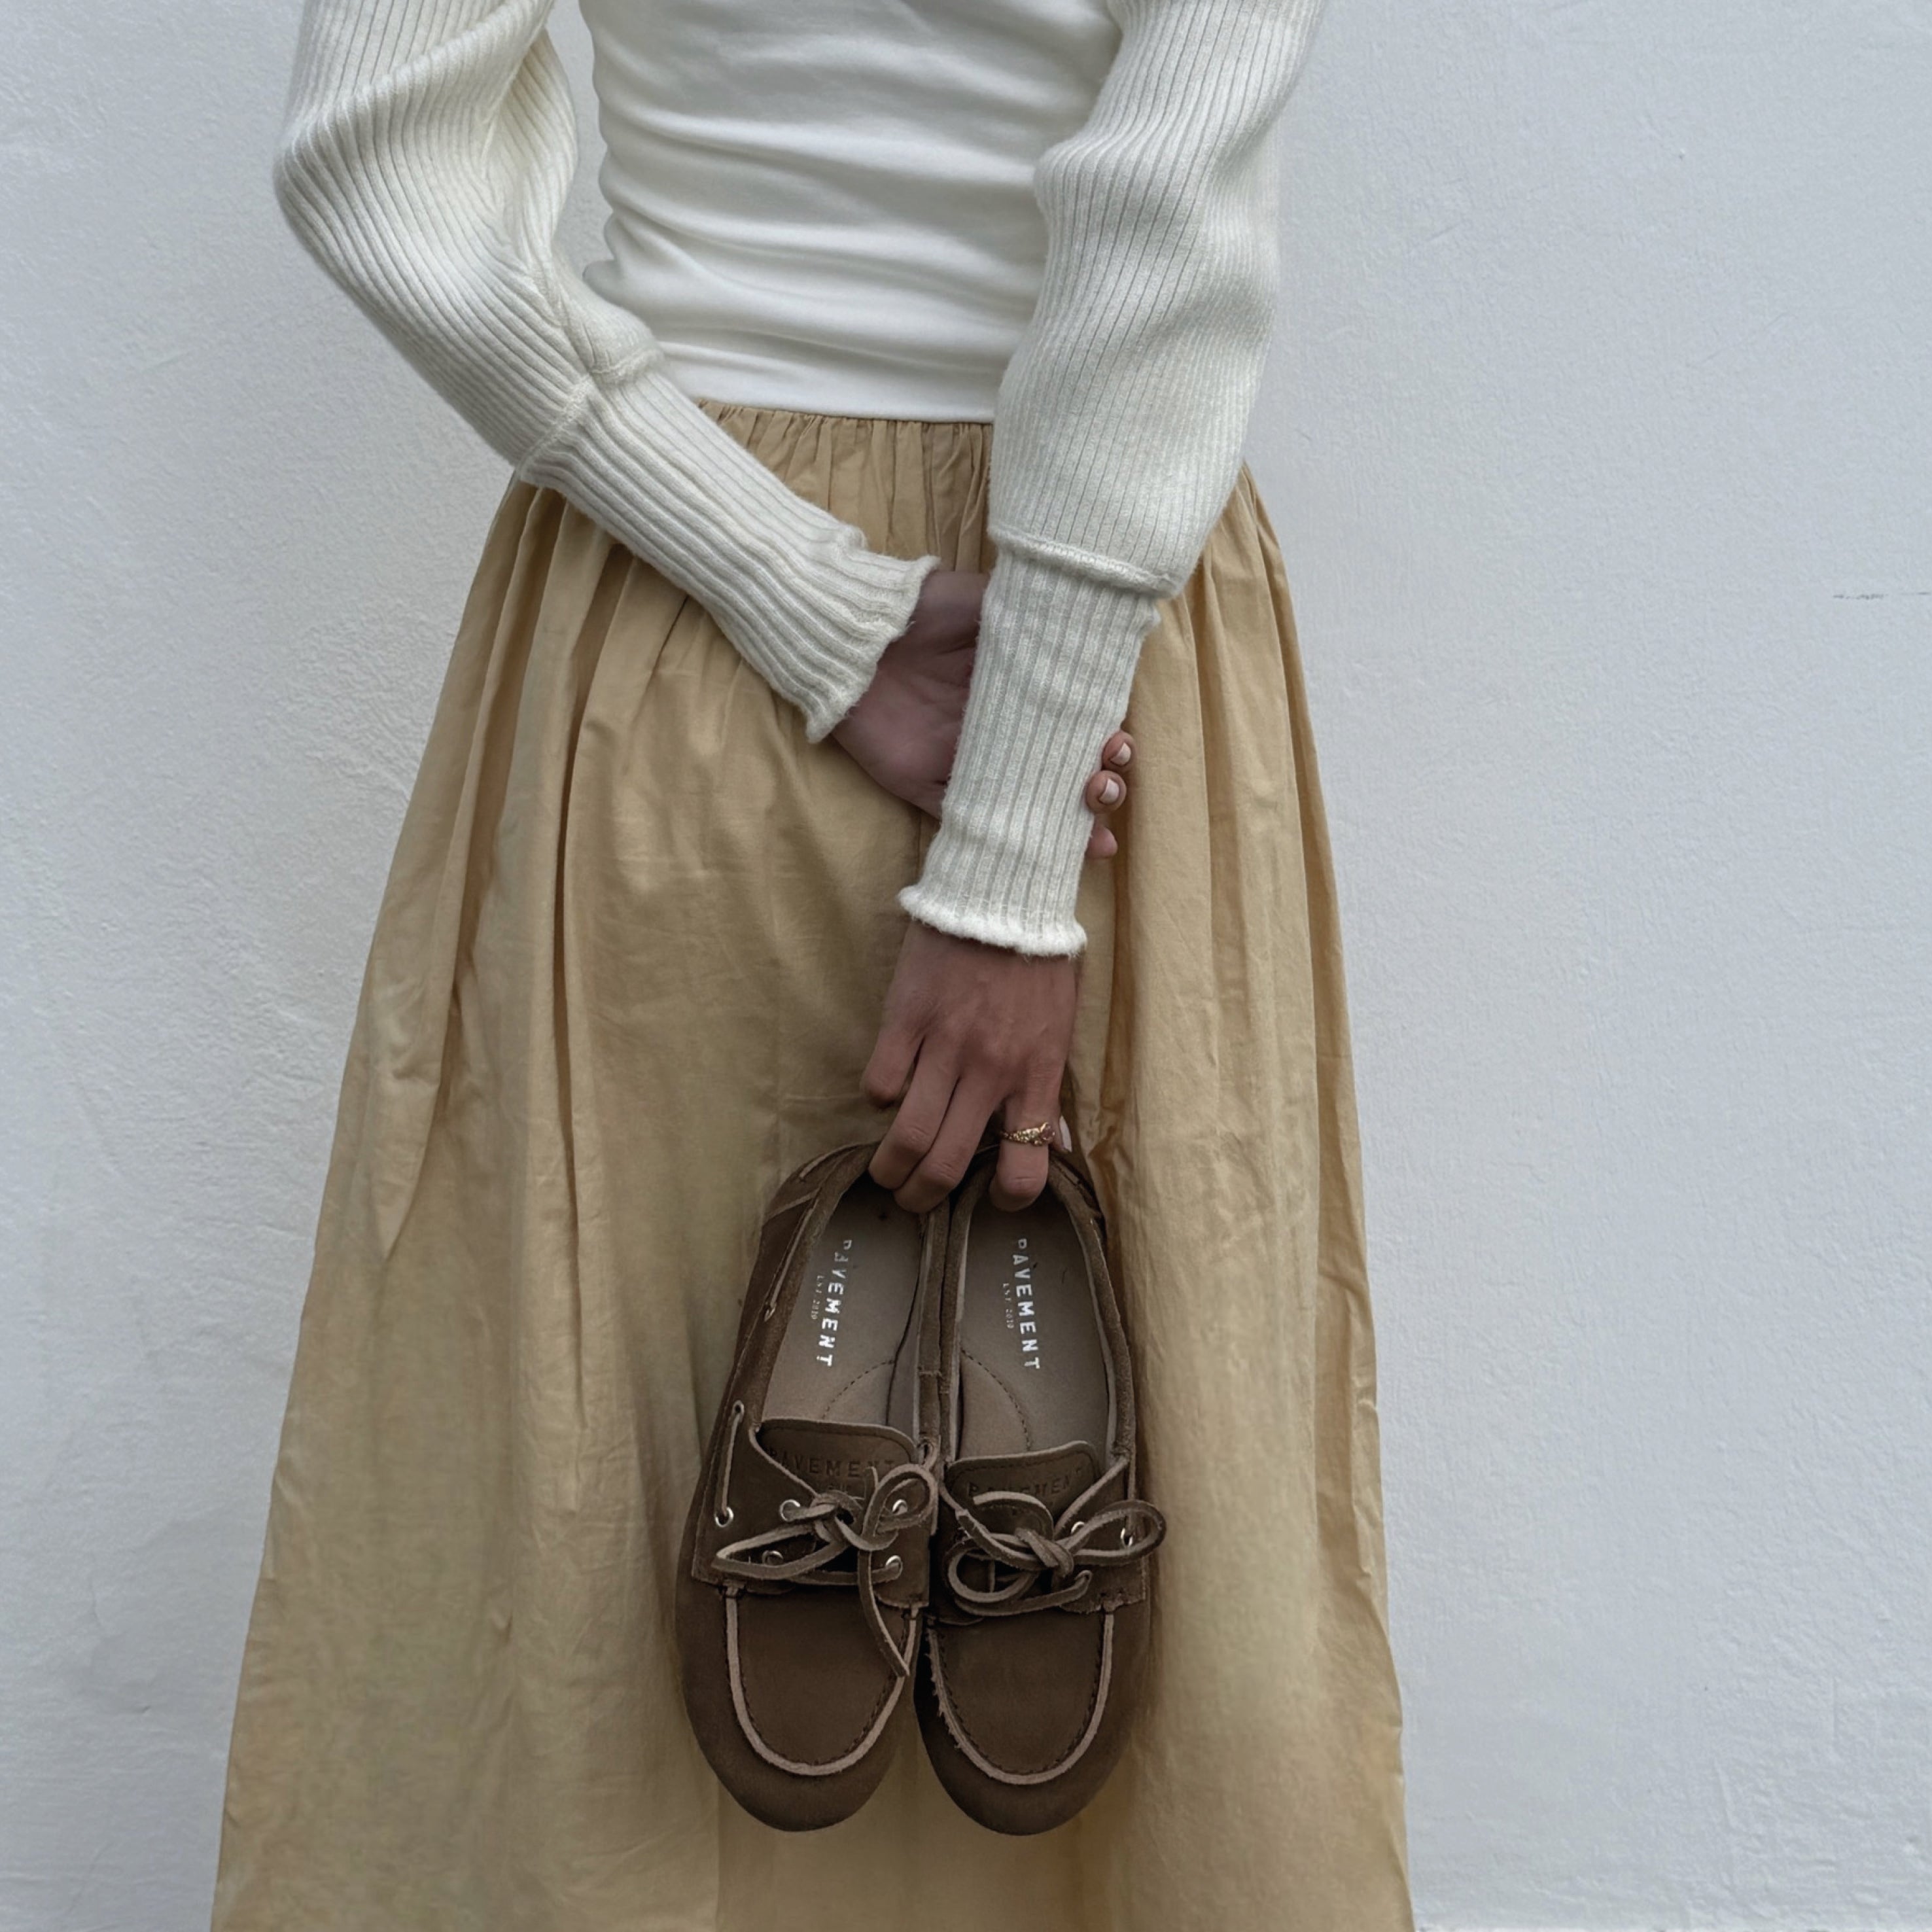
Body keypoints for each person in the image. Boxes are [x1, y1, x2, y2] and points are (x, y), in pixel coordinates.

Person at [210, 0, 1414, 1925]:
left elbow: (377, 153)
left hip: (680, 626)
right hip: (1091, 655)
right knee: (1130, 1515)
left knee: (608, 1501)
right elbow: (1161, 217)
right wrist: (1016, 845)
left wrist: (794, 591)